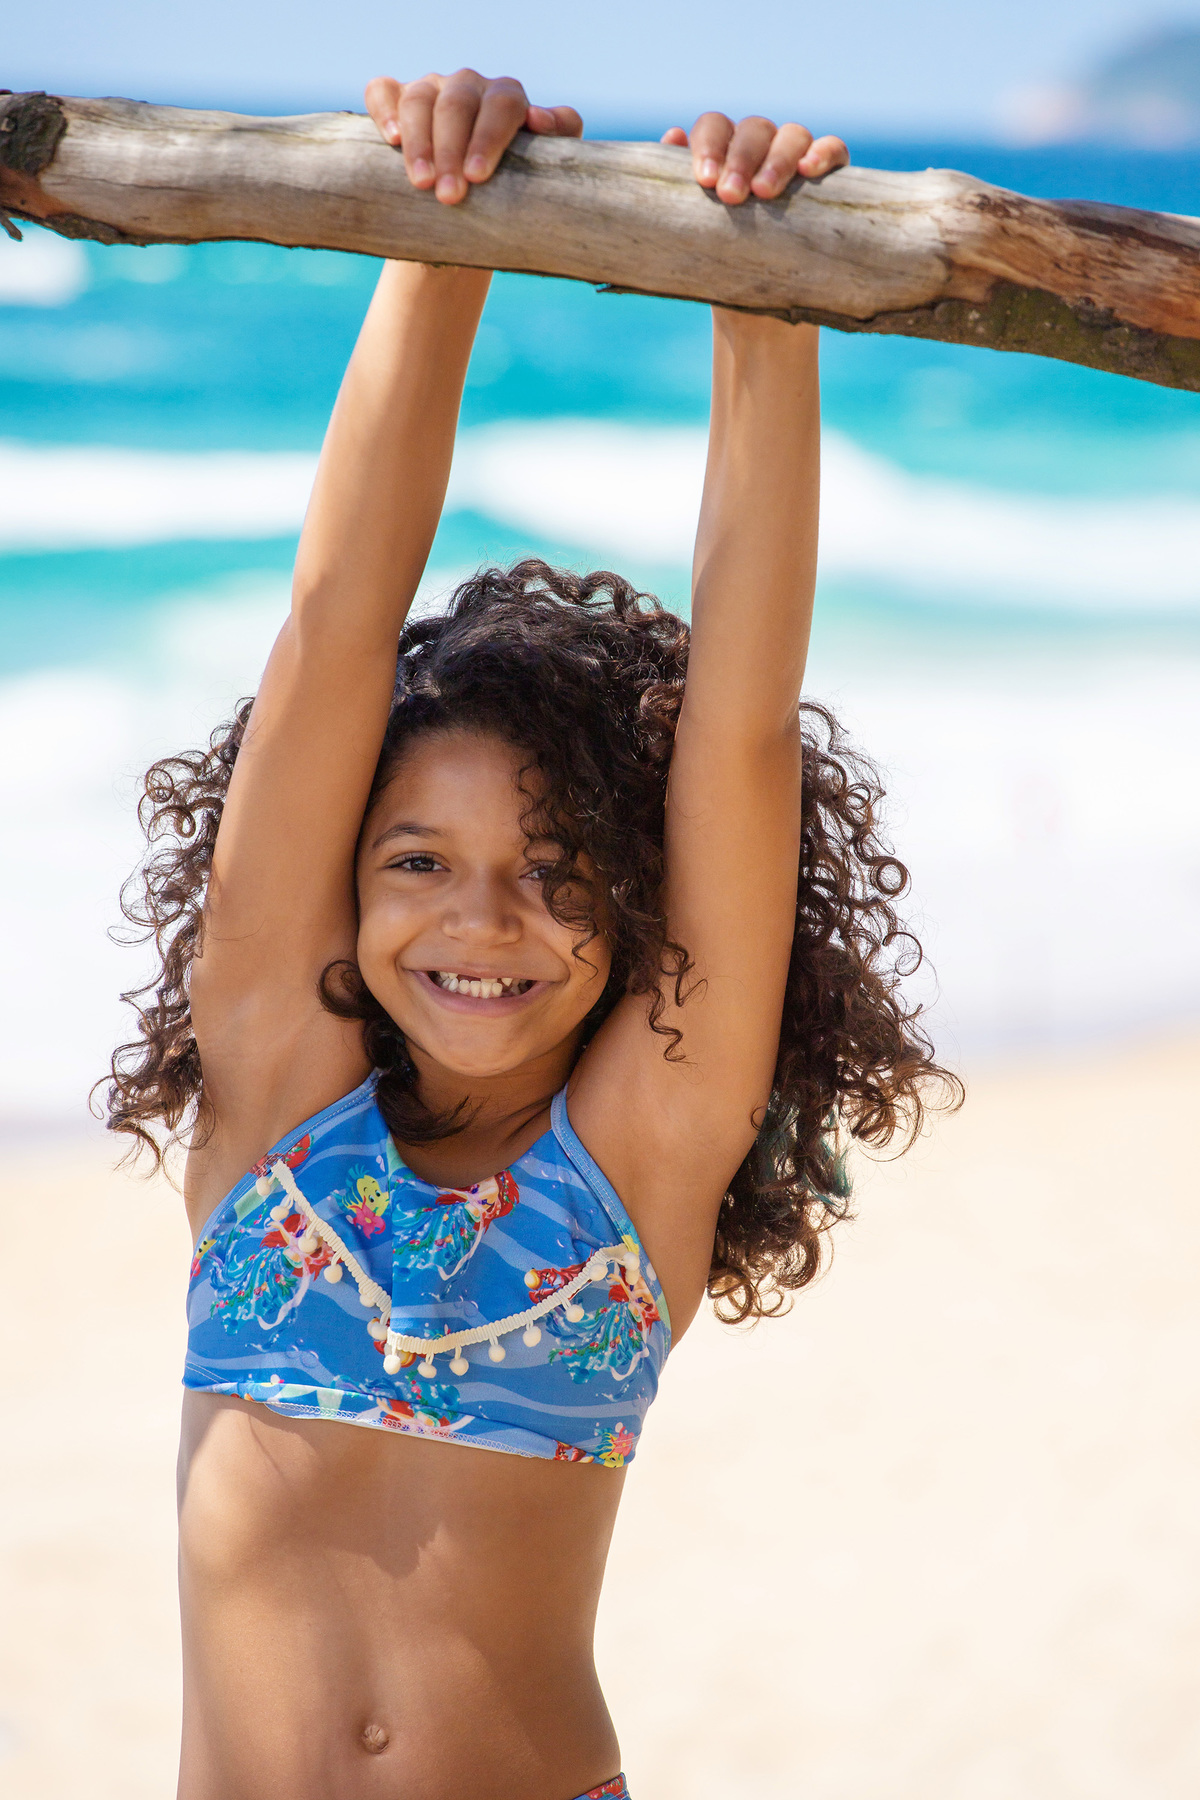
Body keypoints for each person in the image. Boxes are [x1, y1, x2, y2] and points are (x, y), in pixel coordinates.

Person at [103, 68, 957, 1800]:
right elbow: (336, 626)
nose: (481, 920)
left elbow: (736, 726)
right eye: (415, 860)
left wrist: (763, 297)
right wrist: (438, 230)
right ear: (341, 886)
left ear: (633, 905)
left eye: (558, 870)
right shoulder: (274, 1103)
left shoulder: (637, 1162)